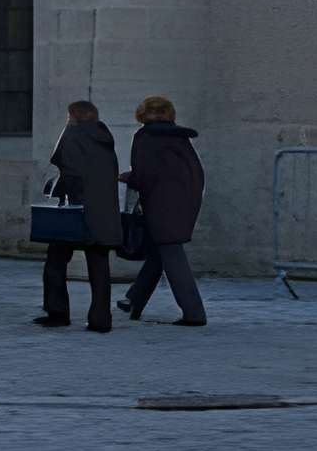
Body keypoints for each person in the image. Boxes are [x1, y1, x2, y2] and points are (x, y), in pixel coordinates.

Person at [118, 94, 208, 326]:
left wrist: (126, 178)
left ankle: (194, 313)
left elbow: (144, 173)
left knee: (171, 253)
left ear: (143, 114)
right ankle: (134, 299)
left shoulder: (145, 136)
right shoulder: (179, 138)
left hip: (161, 203)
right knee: (160, 252)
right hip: (186, 201)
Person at [36, 99, 121, 332]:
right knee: (99, 265)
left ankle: (57, 312)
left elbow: (70, 173)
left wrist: (59, 192)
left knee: (55, 261)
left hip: (75, 212)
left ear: (73, 117)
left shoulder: (73, 136)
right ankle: (101, 319)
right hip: (102, 212)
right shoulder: (105, 139)